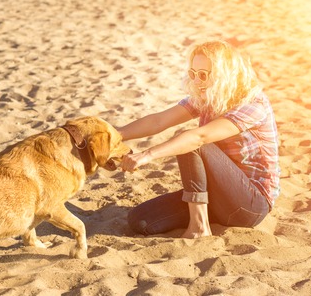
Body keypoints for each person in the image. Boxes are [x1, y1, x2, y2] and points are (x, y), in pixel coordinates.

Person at [118, 40, 280, 239]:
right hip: (216, 198)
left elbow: (200, 138)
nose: (196, 81)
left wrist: (147, 155)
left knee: (191, 144)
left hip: (250, 205)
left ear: (224, 75)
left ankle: (199, 227)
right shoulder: (207, 96)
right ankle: (203, 214)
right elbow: (159, 121)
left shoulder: (253, 103)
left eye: (204, 75)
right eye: (193, 74)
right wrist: (116, 134)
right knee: (140, 220)